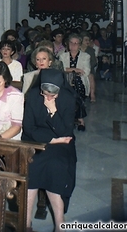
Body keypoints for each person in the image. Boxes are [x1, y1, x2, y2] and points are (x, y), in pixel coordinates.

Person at [22, 68, 77, 232]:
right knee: (31, 166)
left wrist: (53, 110)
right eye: (45, 94)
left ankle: (60, 223)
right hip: (37, 141)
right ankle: (25, 223)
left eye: (53, 95)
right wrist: (53, 139)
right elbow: (29, 128)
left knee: (56, 166)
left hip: (62, 145)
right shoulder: (32, 96)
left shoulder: (68, 98)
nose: (48, 98)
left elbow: (66, 131)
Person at [59, 33, 90, 131]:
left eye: (76, 43)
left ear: (80, 45)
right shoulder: (62, 55)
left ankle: (80, 119)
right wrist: (75, 70)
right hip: (65, 81)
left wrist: (71, 70)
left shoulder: (86, 56)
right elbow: (61, 69)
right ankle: (73, 119)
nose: (73, 45)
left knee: (77, 87)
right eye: (71, 43)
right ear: (68, 44)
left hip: (80, 81)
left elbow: (86, 71)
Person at [80, 32, 97, 102]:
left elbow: (94, 62)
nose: (87, 42)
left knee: (91, 76)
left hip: (89, 69)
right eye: (85, 40)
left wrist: (87, 67)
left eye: (88, 40)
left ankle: (92, 94)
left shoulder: (91, 50)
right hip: (79, 68)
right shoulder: (77, 49)